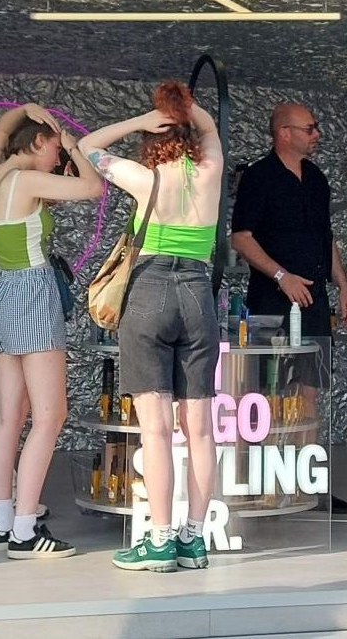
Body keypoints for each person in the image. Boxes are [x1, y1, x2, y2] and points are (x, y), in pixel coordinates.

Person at [79, 82, 227, 571]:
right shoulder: (211, 171)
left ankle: (159, 540)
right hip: (198, 295)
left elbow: (86, 145)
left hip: (149, 292)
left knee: (156, 430)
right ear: (192, 137)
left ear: (153, 140)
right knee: (200, 430)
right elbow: (208, 127)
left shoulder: (143, 178)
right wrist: (185, 109)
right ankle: (194, 540)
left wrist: (142, 120)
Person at [0, 104, 104, 559]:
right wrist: (75, 145)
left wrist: (20, 111)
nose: (56, 157)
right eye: (52, 148)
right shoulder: (26, 180)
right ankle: (25, 531)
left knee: (9, 418)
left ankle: (2, 523)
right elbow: (93, 187)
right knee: (50, 416)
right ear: (35, 143)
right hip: (31, 290)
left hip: (1, 292)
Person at [229, 100, 347, 513]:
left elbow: (326, 237)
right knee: (264, 392)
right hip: (271, 301)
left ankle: (306, 482)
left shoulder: (316, 179)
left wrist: (343, 286)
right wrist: (281, 276)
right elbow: (241, 238)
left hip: (315, 300)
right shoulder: (259, 177)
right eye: (309, 128)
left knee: (309, 389)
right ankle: (258, 481)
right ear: (284, 132)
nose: (316, 134)